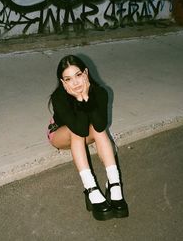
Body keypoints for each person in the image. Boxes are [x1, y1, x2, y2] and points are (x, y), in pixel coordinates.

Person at [47, 55, 128, 221]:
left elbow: (99, 126)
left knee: (100, 132)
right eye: (68, 79)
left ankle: (114, 185)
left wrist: (87, 98)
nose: (75, 83)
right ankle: (90, 188)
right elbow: (80, 129)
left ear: (86, 73)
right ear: (63, 82)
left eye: (78, 75)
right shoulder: (59, 97)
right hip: (60, 134)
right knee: (76, 131)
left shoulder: (100, 93)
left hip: (86, 131)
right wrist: (79, 99)